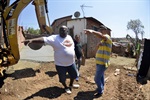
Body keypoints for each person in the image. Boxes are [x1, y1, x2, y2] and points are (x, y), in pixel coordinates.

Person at [22, 25, 79, 94]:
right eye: (61, 30)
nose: (63, 31)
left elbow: (71, 48)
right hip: (60, 64)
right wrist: (31, 40)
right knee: (62, 78)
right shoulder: (54, 38)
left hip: (71, 62)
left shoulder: (69, 37)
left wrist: (74, 56)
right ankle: (66, 87)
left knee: (73, 75)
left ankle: (71, 85)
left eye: (64, 30)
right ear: (59, 31)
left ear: (67, 31)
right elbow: (43, 39)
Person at [84, 27, 112, 98]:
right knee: (101, 76)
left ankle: (100, 91)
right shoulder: (103, 41)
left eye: (102, 29)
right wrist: (98, 45)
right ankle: (102, 87)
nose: (101, 31)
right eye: (100, 30)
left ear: (105, 30)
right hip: (99, 62)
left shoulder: (107, 37)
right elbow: (97, 49)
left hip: (103, 63)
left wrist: (92, 31)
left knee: (96, 79)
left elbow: (101, 36)